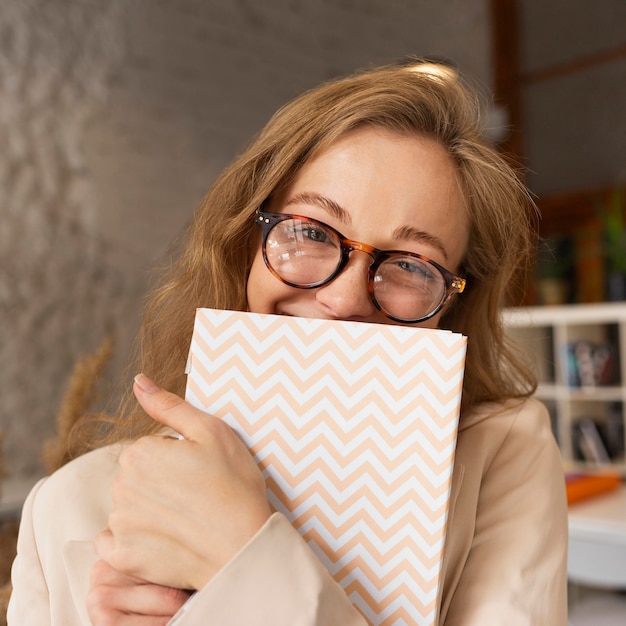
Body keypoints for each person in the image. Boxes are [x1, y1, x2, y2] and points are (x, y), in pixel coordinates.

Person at [8, 60, 568, 625]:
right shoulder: (66, 508)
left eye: (410, 265)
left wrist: (244, 555)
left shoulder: (504, 454)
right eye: (311, 232)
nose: (346, 299)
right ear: (243, 246)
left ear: (451, 307)